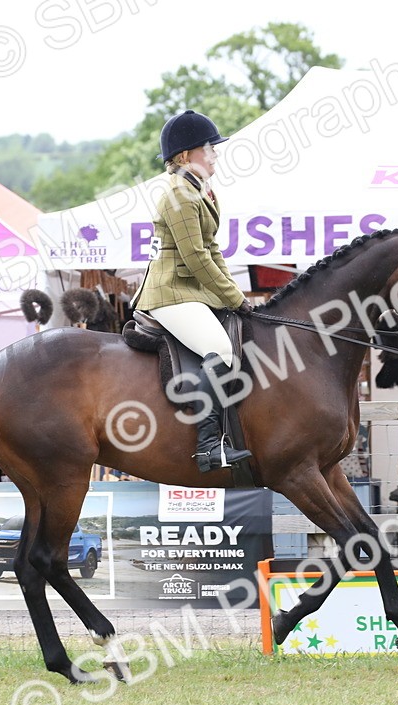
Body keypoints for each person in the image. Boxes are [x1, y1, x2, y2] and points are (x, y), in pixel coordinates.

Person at [133, 109, 254, 473]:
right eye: (209, 149)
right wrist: (235, 298)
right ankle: (207, 448)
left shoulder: (199, 191)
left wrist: (235, 294)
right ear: (185, 156)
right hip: (170, 292)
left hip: (190, 290)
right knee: (219, 347)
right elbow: (196, 258)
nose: (215, 155)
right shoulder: (179, 197)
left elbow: (213, 250)